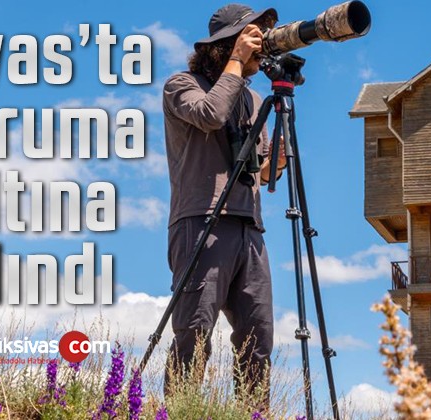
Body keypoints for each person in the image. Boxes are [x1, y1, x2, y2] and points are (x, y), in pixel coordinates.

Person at [161, 3, 284, 407]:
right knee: (194, 332)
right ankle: (179, 412)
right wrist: (237, 59)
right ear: (224, 46)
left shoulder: (251, 99)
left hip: (249, 226)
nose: (257, 50)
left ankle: (254, 414)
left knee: (258, 337)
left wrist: (278, 157)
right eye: (249, 39)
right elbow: (211, 115)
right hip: (201, 219)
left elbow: (264, 174)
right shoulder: (181, 85)